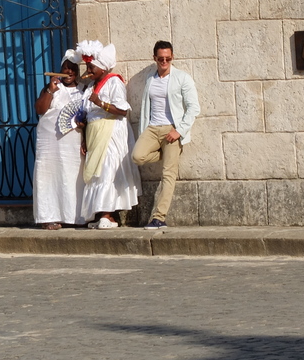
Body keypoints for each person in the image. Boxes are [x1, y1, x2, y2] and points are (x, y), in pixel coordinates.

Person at [131, 41, 201, 230]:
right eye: (160, 58)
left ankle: (159, 217)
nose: (164, 62)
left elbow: (194, 107)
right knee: (137, 156)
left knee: (168, 174)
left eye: (168, 59)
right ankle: (168, 153)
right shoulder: (150, 79)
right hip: (153, 128)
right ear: (154, 58)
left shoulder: (182, 78)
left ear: (172, 58)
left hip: (173, 129)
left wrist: (179, 130)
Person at [77, 41, 139, 228]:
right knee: (96, 173)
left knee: (107, 170)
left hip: (111, 133)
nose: (88, 69)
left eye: (92, 66)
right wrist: (84, 137)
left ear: (103, 68)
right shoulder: (90, 87)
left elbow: (122, 110)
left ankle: (108, 214)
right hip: (95, 133)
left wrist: (100, 103)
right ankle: (100, 214)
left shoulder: (114, 82)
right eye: (87, 66)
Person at [33, 50, 85, 229]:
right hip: (50, 142)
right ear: (60, 70)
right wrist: (50, 90)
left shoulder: (83, 90)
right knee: (49, 177)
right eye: (65, 68)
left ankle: (74, 217)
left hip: (72, 143)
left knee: (72, 177)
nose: (69, 72)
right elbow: (40, 109)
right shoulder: (53, 88)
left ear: (77, 72)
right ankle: (48, 217)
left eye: (72, 69)